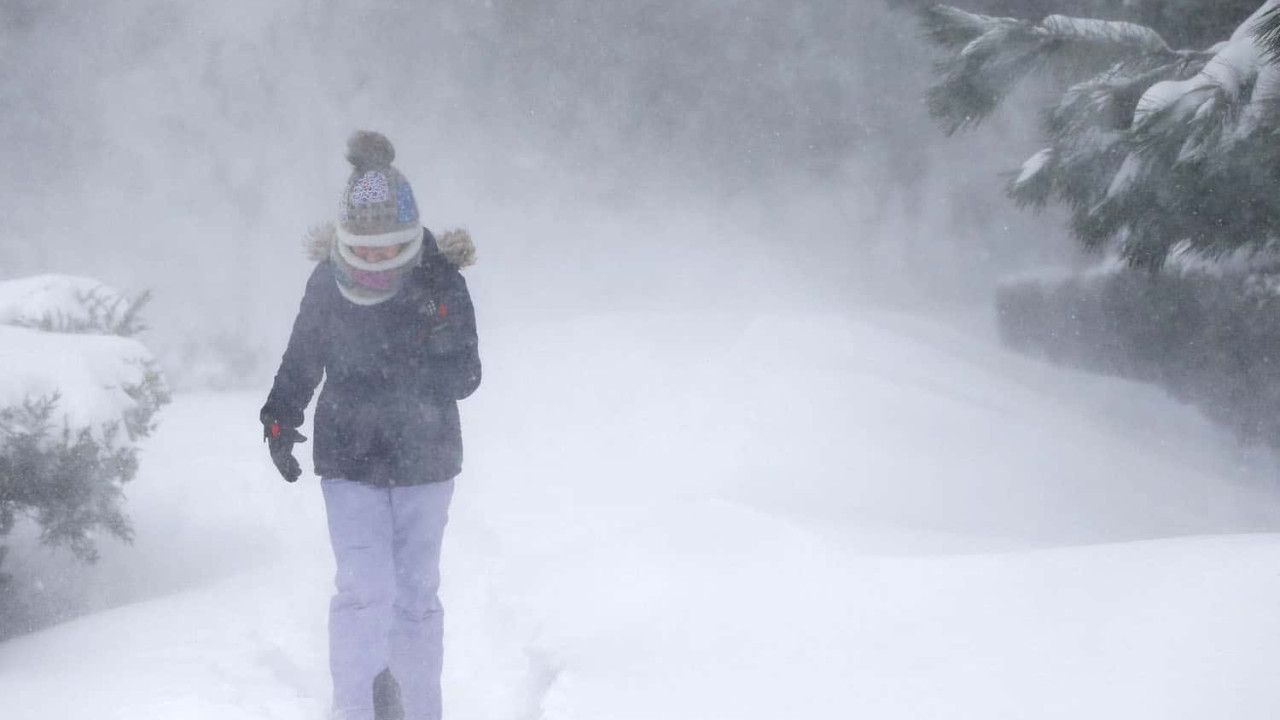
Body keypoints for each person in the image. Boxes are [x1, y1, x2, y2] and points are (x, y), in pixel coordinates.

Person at [260, 130, 481, 720]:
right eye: (368, 248)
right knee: (363, 592)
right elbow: (303, 357)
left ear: (408, 238)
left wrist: (434, 345)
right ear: (347, 239)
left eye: (389, 249)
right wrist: (280, 418)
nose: (378, 260)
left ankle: (419, 708)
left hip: (426, 462)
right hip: (349, 459)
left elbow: (466, 377)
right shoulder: (326, 283)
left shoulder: (440, 282)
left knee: (414, 595)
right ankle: (355, 710)